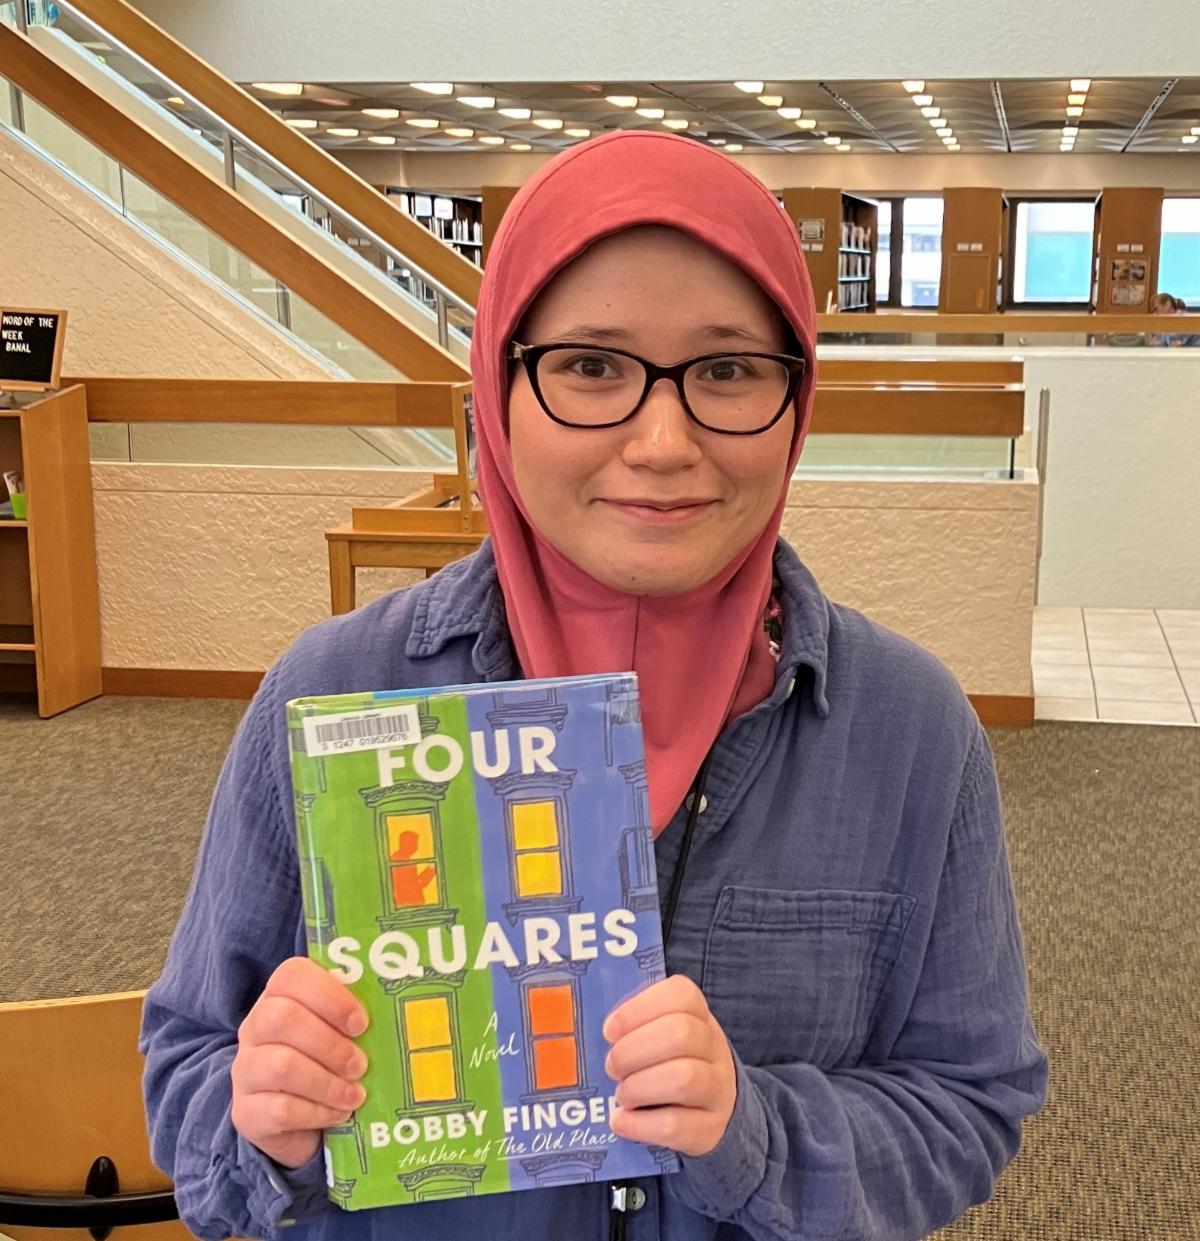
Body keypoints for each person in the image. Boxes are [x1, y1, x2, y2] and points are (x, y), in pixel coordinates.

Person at [140, 131, 1048, 1241]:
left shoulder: (909, 729)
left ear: (798, 399)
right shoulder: (334, 694)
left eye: (725, 370)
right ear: (499, 388)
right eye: (590, 367)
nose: (662, 440)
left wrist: (751, 1129)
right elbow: (187, 1068)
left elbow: (969, 1099)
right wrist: (260, 1115)